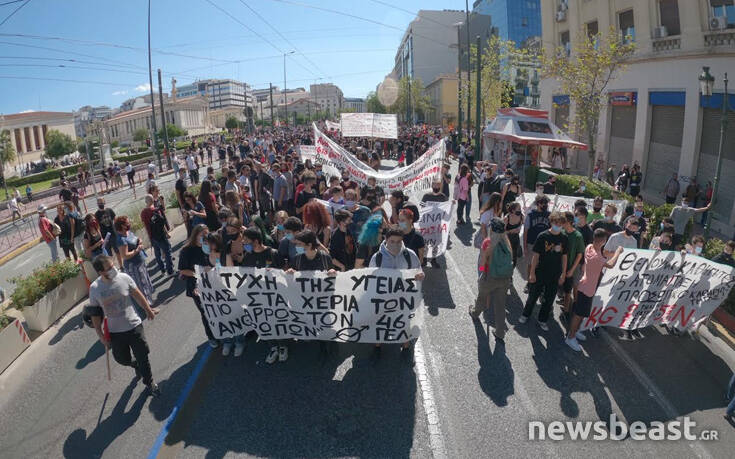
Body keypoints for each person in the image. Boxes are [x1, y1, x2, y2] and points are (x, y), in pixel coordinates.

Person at [85, 255, 160, 396]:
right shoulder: (95, 289)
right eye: (109, 268)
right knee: (121, 359)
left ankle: (149, 382)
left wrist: (148, 310)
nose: (114, 269)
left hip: (134, 326)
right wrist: (101, 336)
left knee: (143, 356)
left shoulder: (124, 278)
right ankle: (135, 364)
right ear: (101, 272)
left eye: (113, 265)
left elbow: (137, 294)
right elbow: (95, 315)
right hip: (115, 332)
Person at [369, 227, 425, 360]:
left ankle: (405, 347)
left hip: (404, 298)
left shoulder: (410, 255)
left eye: (399, 241)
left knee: (404, 322)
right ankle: (377, 346)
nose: (396, 245)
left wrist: (420, 275)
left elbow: (419, 270)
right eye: (392, 241)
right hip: (383, 298)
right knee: (381, 322)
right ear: (386, 240)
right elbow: (370, 277)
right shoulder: (377, 258)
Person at [565, 231, 624, 351]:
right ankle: (570, 338)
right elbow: (611, 264)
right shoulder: (597, 257)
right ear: (603, 241)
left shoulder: (589, 247)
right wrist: (617, 252)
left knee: (581, 313)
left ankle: (574, 332)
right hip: (587, 289)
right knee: (578, 314)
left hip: (584, 286)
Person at [519, 211, 568, 331]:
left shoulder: (564, 238)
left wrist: (563, 274)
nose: (558, 225)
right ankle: (526, 314)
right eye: (556, 223)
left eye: (561, 224)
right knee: (533, 295)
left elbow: (564, 256)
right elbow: (535, 256)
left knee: (549, 298)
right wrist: (532, 273)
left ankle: (542, 319)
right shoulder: (543, 236)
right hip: (540, 271)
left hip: (555, 274)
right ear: (551, 222)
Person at [470, 218, 514, 343]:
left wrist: (482, 272)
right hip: (504, 278)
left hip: (490, 276)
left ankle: (475, 313)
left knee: (482, 297)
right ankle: (500, 332)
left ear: (492, 229)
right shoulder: (507, 242)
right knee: (500, 305)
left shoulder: (488, 243)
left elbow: (483, 262)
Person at [178, 224, 218, 348]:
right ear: (195, 235)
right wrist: (198, 273)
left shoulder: (209, 246)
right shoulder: (186, 251)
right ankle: (211, 336)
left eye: (207, 234)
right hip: (197, 286)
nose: (205, 237)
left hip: (213, 283)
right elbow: (182, 271)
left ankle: (221, 331)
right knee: (206, 312)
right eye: (202, 235)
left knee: (217, 309)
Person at [114, 216, 154, 305]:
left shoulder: (128, 232)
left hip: (140, 261)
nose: (129, 224)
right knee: (140, 286)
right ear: (122, 226)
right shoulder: (121, 239)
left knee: (145, 282)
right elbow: (125, 256)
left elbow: (135, 239)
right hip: (133, 266)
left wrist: (139, 240)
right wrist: (137, 250)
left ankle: (149, 302)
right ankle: (146, 306)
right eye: (127, 223)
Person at [141, 195, 174, 275]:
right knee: (167, 252)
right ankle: (170, 271)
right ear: (153, 201)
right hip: (160, 235)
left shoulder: (143, 212)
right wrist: (166, 233)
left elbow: (145, 225)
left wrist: (149, 236)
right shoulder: (155, 210)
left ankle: (162, 270)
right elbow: (161, 224)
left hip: (152, 236)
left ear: (146, 202)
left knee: (157, 254)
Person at [523, 195, 550, 289]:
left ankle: (538, 284)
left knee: (541, 266)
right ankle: (529, 283)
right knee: (530, 264)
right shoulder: (530, 215)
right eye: (544, 203)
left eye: (546, 203)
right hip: (532, 243)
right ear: (538, 204)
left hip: (545, 245)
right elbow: (525, 231)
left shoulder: (549, 215)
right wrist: (525, 246)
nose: (545, 205)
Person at [504, 202, 523, 266]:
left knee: (514, 257)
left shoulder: (521, 216)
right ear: (513, 210)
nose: (520, 210)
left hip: (516, 238)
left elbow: (522, 226)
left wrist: (519, 229)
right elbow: (501, 232)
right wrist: (511, 231)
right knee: (507, 256)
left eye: (520, 208)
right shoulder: (506, 218)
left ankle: (511, 271)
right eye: (519, 209)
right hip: (507, 239)